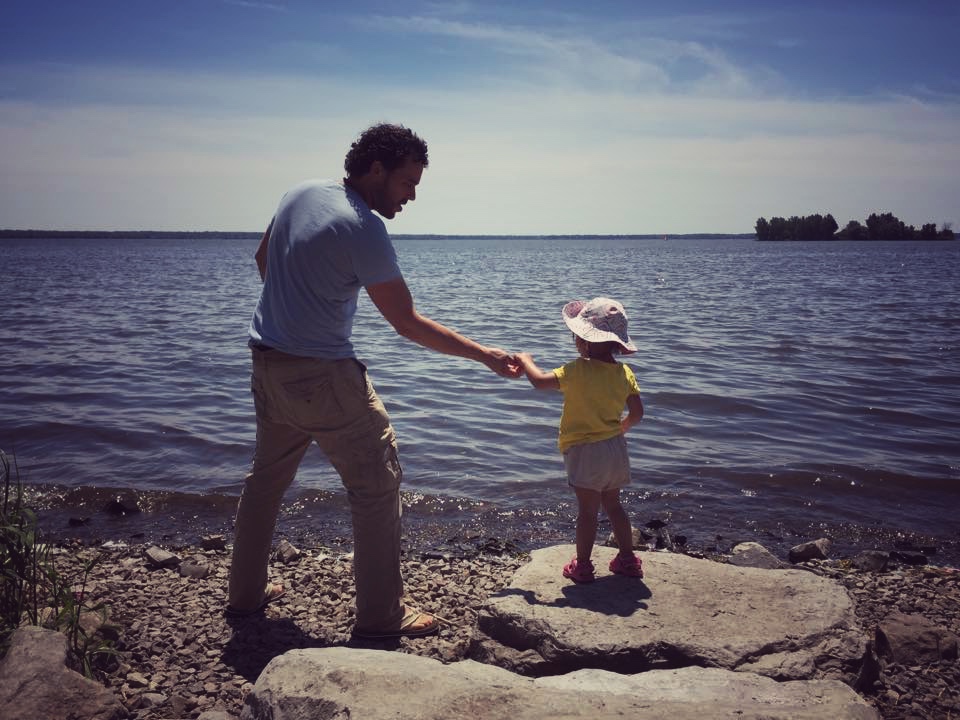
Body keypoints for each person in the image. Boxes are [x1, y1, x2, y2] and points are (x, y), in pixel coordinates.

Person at [227, 123, 521, 638]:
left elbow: (262, 260)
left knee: (265, 482)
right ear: (377, 169)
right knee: (377, 486)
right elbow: (406, 323)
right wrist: (485, 355)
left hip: (267, 363)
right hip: (324, 375)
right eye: (407, 183)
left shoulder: (299, 193)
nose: (411, 197)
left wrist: (297, 309)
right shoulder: (362, 227)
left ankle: (244, 595)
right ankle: (382, 619)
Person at [515, 297, 645, 583]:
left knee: (587, 511)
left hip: (585, 451)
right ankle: (628, 560)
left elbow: (539, 381)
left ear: (584, 342)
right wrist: (620, 429)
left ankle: (583, 566)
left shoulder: (577, 370)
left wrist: (526, 361)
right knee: (614, 505)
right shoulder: (624, 373)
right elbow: (637, 414)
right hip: (615, 449)